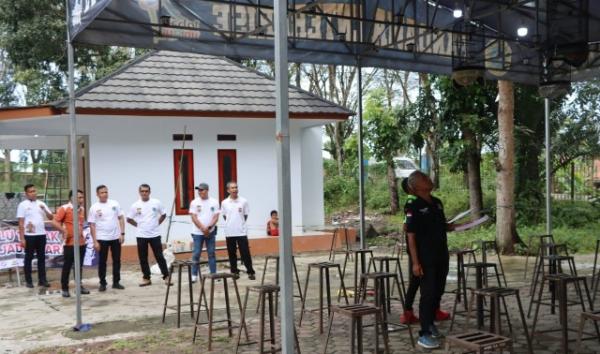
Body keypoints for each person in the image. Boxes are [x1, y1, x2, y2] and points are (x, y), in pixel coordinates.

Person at [405, 171, 456, 349]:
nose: (429, 179)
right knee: (428, 293)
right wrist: (416, 262)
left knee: (438, 290)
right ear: (416, 186)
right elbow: (411, 235)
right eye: (424, 178)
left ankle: (431, 322)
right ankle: (424, 333)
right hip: (425, 257)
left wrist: (449, 226)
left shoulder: (437, 203)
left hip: (441, 253)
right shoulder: (413, 205)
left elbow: (441, 225)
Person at [126, 184, 170, 286]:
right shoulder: (135, 205)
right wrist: (138, 225)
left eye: (146, 191)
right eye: (142, 191)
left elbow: (163, 214)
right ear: (139, 192)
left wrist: (157, 223)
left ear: (149, 192)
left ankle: (166, 276)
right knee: (143, 257)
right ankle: (146, 278)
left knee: (159, 256)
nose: (144, 193)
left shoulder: (156, 202)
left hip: (155, 235)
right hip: (141, 235)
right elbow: (128, 219)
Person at [53, 189, 92, 297]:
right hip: (69, 243)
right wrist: (63, 230)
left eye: (82, 197)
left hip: (81, 242)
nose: (81, 200)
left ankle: (79, 286)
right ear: (72, 198)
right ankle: (65, 288)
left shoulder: (82, 209)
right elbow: (54, 222)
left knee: (78, 266)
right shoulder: (64, 208)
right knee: (67, 266)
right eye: (79, 198)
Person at [88, 185, 125, 291]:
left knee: (117, 260)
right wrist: (95, 241)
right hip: (102, 238)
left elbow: (121, 218)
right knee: (102, 261)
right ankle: (102, 283)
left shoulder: (115, 204)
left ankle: (116, 282)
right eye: (102, 192)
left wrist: (122, 234)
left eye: (106, 192)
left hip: (115, 237)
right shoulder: (94, 207)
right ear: (97, 194)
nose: (104, 194)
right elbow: (92, 225)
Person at [17, 184, 53, 288]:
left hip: (41, 234)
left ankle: (42, 280)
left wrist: (45, 210)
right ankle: (29, 281)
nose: (33, 193)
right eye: (31, 191)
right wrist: (22, 238)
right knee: (28, 258)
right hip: (29, 235)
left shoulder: (41, 204)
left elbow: (51, 217)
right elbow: (21, 222)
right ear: (26, 193)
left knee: (41, 258)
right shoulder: (22, 205)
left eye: (34, 191)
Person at [221, 181, 255, 280]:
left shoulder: (243, 201)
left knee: (245, 253)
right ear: (228, 190)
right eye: (232, 188)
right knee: (232, 253)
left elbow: (245, 215)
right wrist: (231, 223)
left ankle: (250, 271)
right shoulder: (224, 202)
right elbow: (224, 216)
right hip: (229, 232)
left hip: (241, 231)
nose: (235, 189)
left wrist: (239, 223)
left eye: (236, 187)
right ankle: (234, 271)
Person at [189, 183, 220, 281]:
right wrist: (203, 228)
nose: (200, 192)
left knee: (211, 253)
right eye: (199, 190)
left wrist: (209, 227)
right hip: (198, 232)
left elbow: (216, 217)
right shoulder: (194, 202)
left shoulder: (214, 202)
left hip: (210, 232)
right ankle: (194, 275)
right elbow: (194, 217)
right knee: (196, 253)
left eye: (202, 190)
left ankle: (213, 273)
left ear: (207, 190)